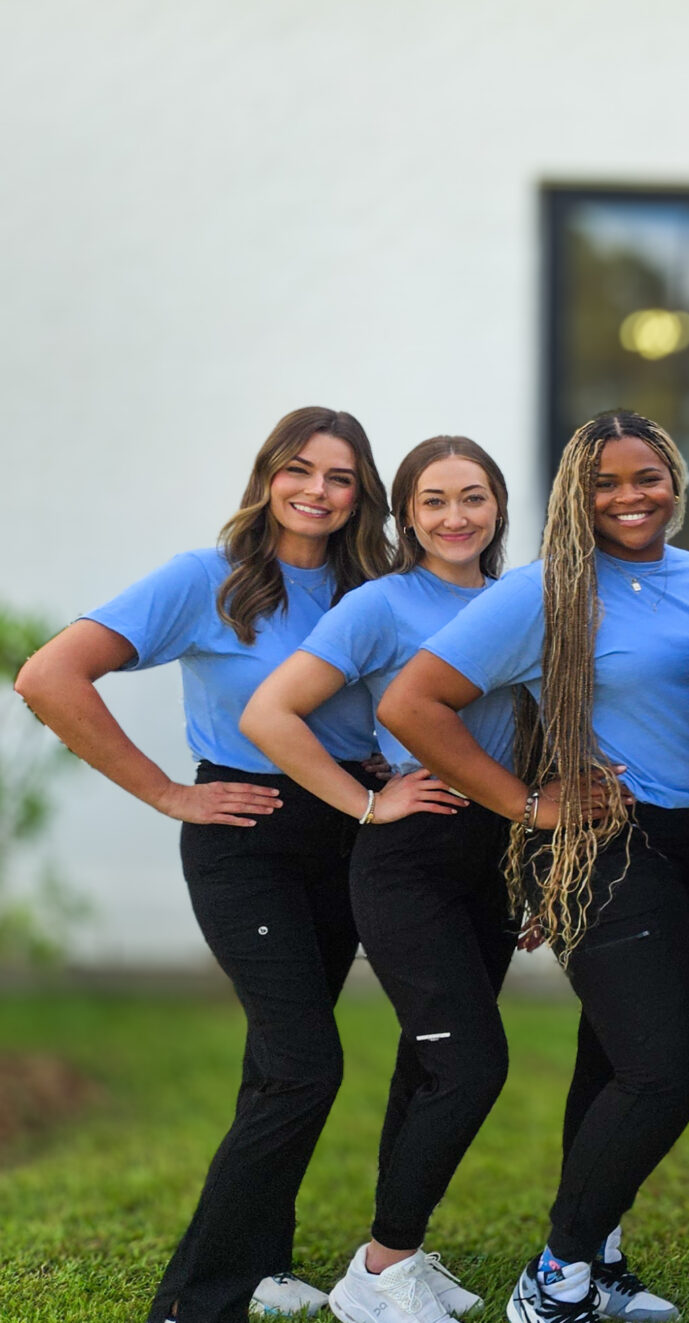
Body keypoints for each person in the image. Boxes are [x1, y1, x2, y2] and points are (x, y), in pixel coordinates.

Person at [16, 406, 393, 1323]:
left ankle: (262, 1263)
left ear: (361, 495)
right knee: (305, 1066)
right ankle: (195, 1300)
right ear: (268, 475)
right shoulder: (206, 578)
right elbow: (48, 675)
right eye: (300, 469)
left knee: (279, 1055)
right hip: (245, 837)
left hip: (346, 830)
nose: (317, 490)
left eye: (340, 477)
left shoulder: (373, 589)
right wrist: (165, 792)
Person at [381, 410, 689, 1323]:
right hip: (602, 847)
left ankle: (597, 1254)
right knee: (669, 1063)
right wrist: (524, 802)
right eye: (604, 482)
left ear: (676, 482)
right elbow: (414, 701)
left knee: (617, 1052)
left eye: (646, 476)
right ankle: (555, 1274)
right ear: (574, 495)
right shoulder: (547, 590)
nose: (629, 496)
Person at [240, 435, 525, 1323]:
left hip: (494, 862)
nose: (455, 516)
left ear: (499, 507)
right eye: (433, 500)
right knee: (472, 1065)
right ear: (406, 516)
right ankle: (376, 1268)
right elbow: (269, 713)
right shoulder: (381, 605)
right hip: (409, 861)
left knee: (427, 1067)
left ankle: (401, 1248)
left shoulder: (520, 601)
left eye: (472, 497)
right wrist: (365, 806)